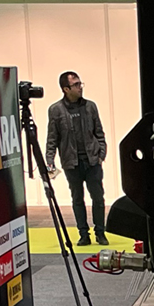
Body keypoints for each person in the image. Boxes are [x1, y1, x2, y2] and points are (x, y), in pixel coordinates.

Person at [45, 71, 108, 245]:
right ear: (66, 89)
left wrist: (101, 154)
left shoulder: (90, 106)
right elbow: (52, 138)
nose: (80, 87)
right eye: (76, 85)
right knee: (77, 199)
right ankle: (83, 234)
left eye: (80, 84)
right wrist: (49, 161)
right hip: (71, 162)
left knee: (98, 198)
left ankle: (100, 232)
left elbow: (99, 132)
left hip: (92, 160)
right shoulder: (56, 110)